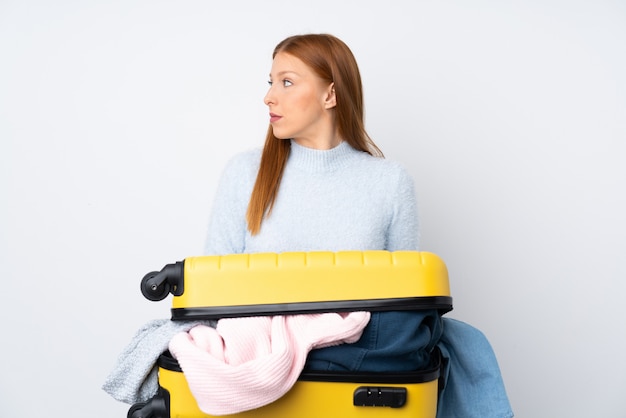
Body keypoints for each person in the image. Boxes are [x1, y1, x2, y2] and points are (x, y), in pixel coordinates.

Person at [203, 33, 513, 418]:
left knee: (433, 333)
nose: (269, 96)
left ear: (330, 95)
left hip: (361, 368)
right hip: (262, 361)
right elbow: (210, 291)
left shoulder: (389, 182)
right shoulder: (244, 174)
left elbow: (406, 301)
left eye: (286, 82)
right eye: (270, 83)